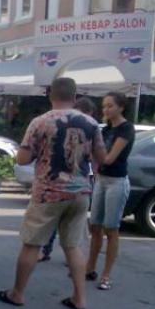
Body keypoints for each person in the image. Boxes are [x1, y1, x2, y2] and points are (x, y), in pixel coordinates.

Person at [0, 78, 106, 309]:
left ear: (51, 96)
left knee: (31, 244)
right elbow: (102, 157)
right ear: (75, 97)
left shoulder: (40, 122)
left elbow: (23, 159)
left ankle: (17, 293)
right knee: (73, 246)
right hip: (80, 194)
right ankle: (80, 298)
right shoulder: (92, 123)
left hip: (48, 193)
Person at [85, 92, 135, 290]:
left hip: (117, 181)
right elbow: (93, 155)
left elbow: (108, 158)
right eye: (104, 106)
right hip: (101, 180)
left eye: (110, 106)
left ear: (121, 107)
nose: (106, 110)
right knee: (95, 226)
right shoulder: (104, 129)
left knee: (111, 229)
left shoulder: (126, 128)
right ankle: (90, 268)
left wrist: (94, 156)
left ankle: (106, 275)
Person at [39, 96, 98, 262]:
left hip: (75, 183)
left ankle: (65, 255)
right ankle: (69, 256)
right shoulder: (76, 129)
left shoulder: (87, 129)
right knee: (70, 224)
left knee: (67, 223)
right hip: (75, 184)